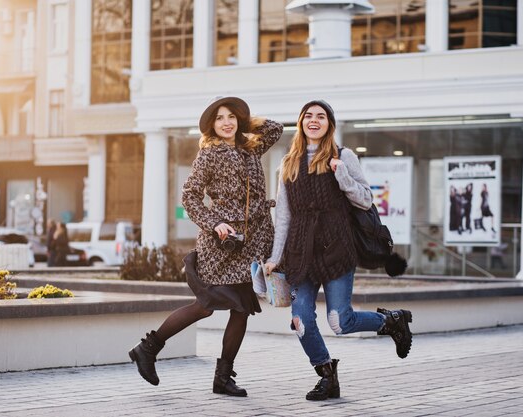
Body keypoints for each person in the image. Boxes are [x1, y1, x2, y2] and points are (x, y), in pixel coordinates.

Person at [129, 96, 283, 396]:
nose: (226, 123)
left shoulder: (250, 148)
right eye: (219, 118)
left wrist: (243, 118)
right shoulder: (209, 154)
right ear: (211, 126)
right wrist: (214, 223)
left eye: (230, 117)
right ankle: (148, 348)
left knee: (241, 311)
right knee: (205, 307)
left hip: (252, 243)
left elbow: (275, 129)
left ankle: (223, 377)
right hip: (223, 245)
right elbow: (189, 197)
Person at [264, 100, 413, 402]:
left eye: (321, 117)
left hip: (337, 249)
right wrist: (275, 257)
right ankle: (326, 375)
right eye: (309, 116)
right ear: (301, 122)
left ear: (329, 124)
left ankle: (391, 321)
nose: (314, 121)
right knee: (300, 319)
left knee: (339, 321)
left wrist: (342, 175)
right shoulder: (288, 163)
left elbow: (366, 200)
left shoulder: (344, 156)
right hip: (300, 252)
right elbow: (284, 216)